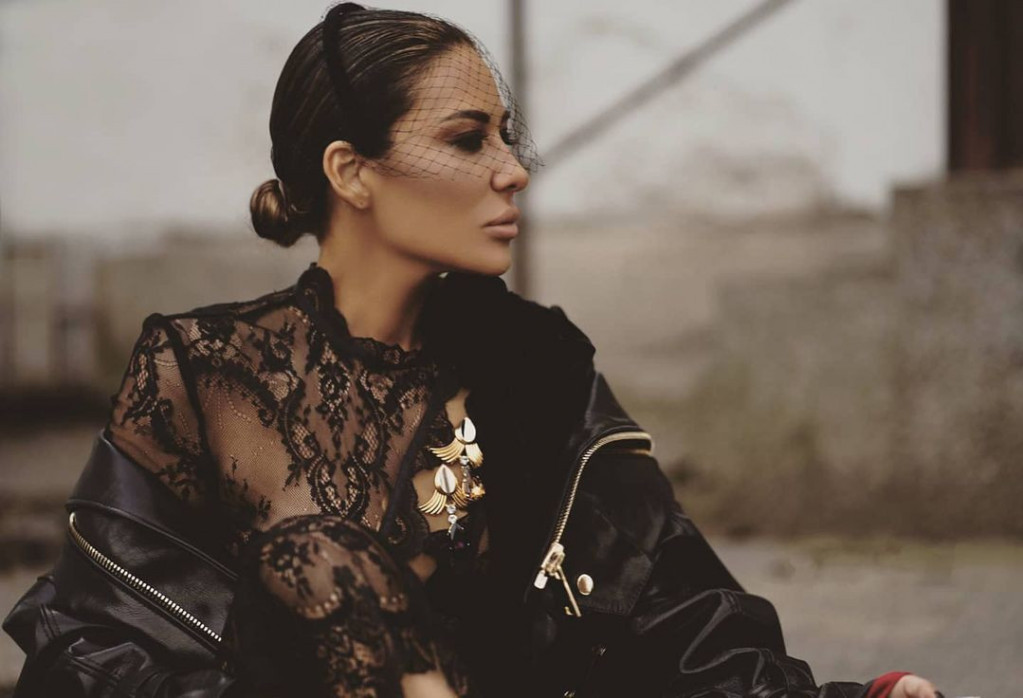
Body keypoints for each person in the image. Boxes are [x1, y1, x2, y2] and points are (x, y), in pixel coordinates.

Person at [3, 4, 944, 697]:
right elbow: (88, 648)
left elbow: (678, 619)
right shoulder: (203, 370)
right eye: (467, 140)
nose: (513, 170)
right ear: (351, 172)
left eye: (506, 136)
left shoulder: (536, 369)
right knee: (320, 558)